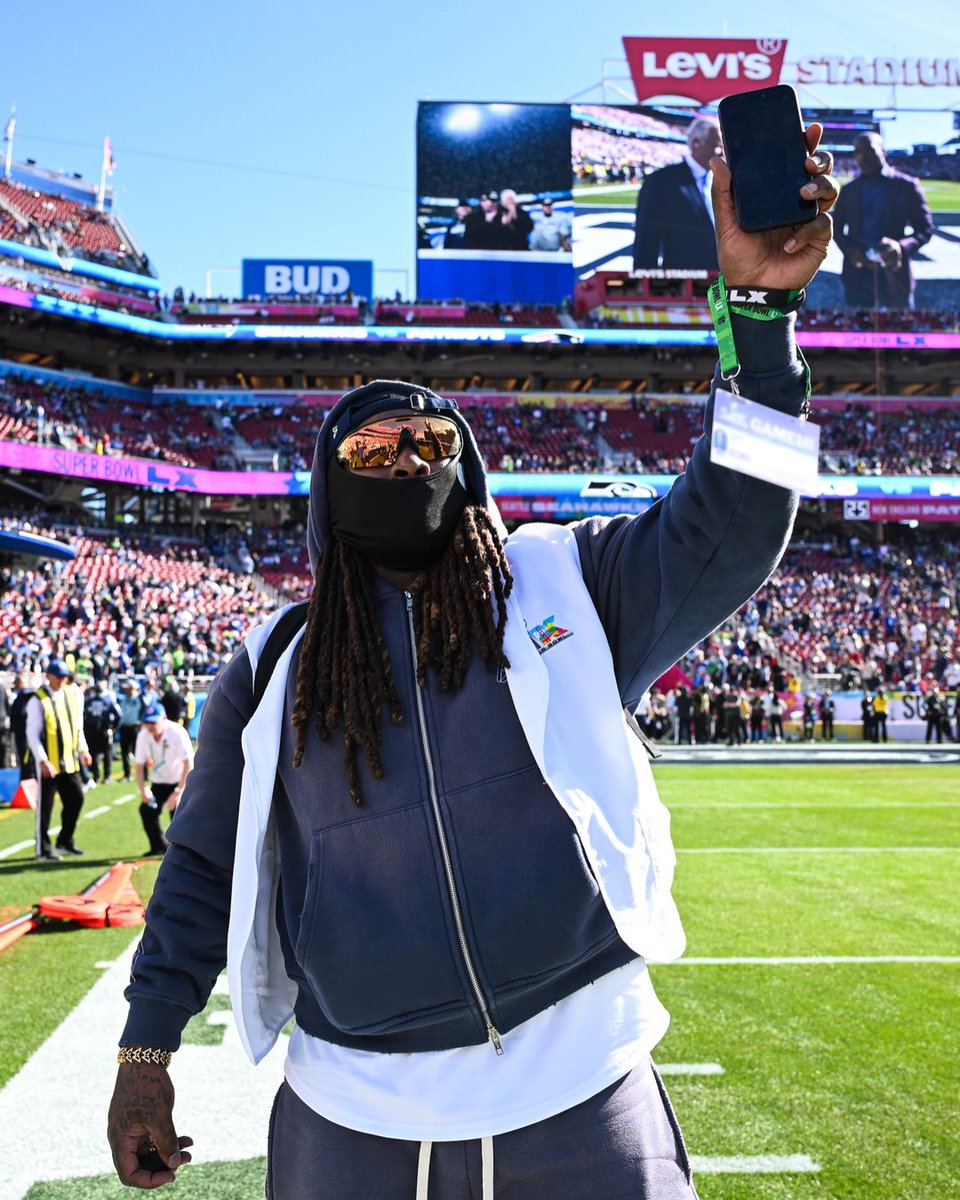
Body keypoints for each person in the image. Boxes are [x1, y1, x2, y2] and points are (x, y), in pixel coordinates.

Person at [108, 128, 837, 1196]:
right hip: (351, 1110)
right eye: (373, 451)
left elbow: (737, 523)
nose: (406, 460)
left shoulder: (564, 586)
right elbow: (203, 869)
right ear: (329, 491)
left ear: (472, 470)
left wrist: (760, 322)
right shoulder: (274, 664)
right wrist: (144, 1052)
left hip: (582, 1088)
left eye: (431, 444)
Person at [832, 132, 934, 310]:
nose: (862, 156)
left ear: (883, 151)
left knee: (897, 327)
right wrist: (849, 250)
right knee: (856, 328)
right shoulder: (848, 190)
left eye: (869, 149)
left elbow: (925, 229)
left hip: (894, 270)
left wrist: (900, 247)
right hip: (857, 272)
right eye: (857, 151)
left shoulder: (907, 186)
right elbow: (835, 228)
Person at [632, 117, 722, 273]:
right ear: (696, 143)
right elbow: (646, 241)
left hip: (724, 281)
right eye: (716, 146)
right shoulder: (661, 181)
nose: (721, 152)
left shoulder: (724, 179)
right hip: (683, 282)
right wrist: (647, 286)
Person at [24, 658, 92, 861]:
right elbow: (32, 733)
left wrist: (84, 749)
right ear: (49, 676)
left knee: (76, 798)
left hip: (69, 761)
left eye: (65, 676)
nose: (63, 680)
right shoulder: (38, 699)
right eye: (59, 676)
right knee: (45, 807)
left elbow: (77, 726)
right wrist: (43, 760)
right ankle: (43, 849)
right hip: (49, 763)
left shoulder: (73, 694)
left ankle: (65, 840)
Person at [133, 702, 195, 857]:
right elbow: (139, 765)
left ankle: (184, 853)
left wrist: (179, 791)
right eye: (146, 722)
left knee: (178, 814)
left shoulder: (176, 732)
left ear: (164, 719)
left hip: (180, 779)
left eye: (153, 722)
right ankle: (159, 846)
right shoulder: (143, 735)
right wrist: (143, 789)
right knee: (146, 810)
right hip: (160, 780)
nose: (150, 726)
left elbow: (189, 763)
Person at [84, 679, 123, 783]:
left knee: (94, 753)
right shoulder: (108, 700)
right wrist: (114, 727)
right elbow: (119, 714)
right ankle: (107, 776)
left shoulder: (89, 701)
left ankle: (96, 776)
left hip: (91, 730)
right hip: (104, 730)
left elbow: (84, 715)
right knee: (107, 752)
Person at [118, 678, 144, 781]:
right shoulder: (124, 700)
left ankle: (143, 774)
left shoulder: (140, 699)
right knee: (124, 752)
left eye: (127, 688)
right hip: (125, 727)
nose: (125, 690)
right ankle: (127, 774)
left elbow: (144, 713)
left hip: (135, 728)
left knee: (139, 751)